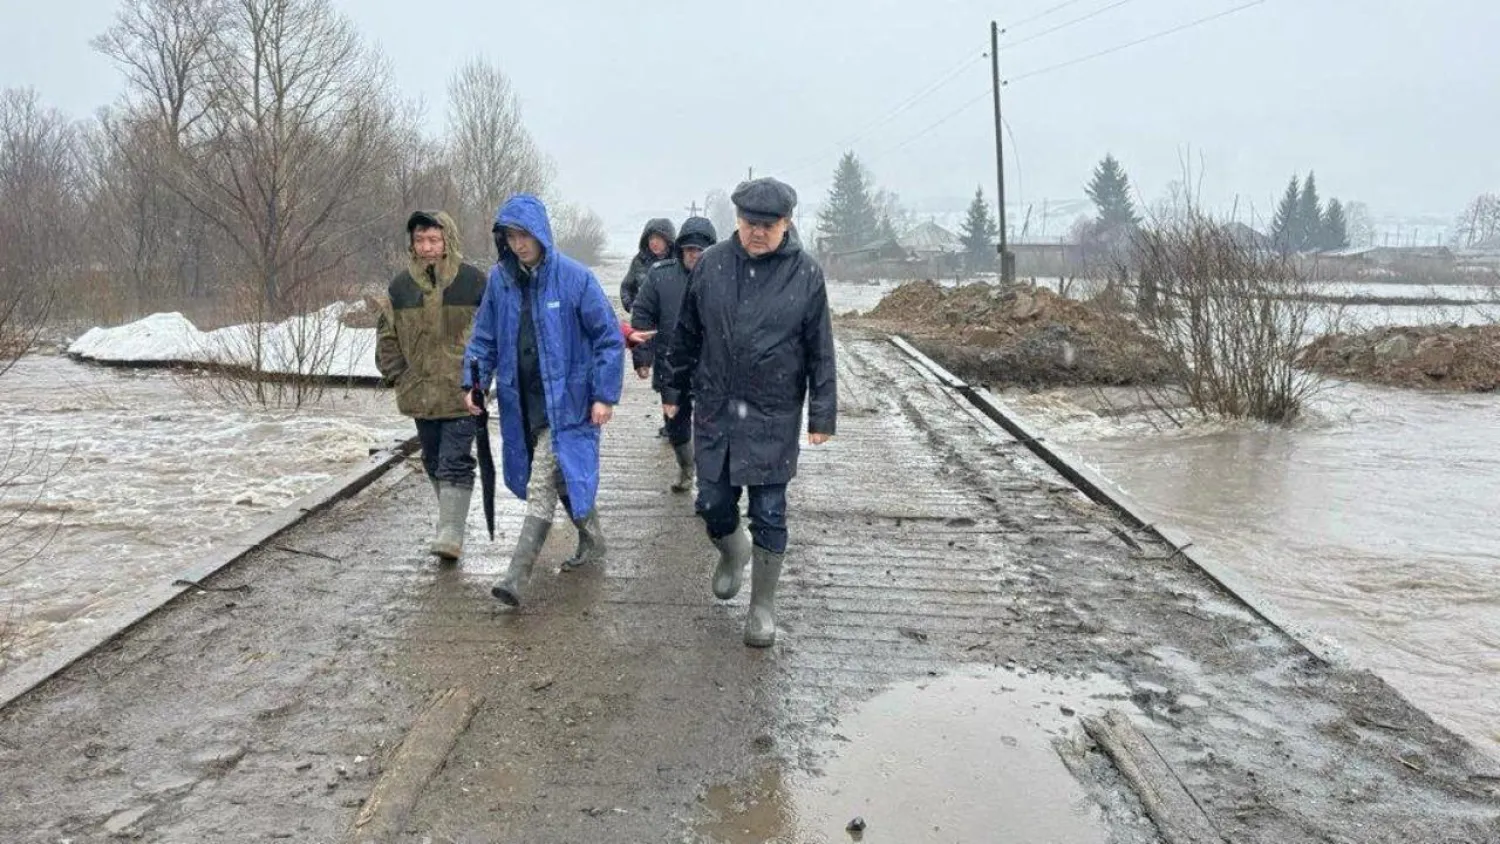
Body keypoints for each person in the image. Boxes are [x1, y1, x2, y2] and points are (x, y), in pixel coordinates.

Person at [661, 178, 837, 647]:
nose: (757, 232)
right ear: (736, 220)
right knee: (712, 502)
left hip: (773, 412)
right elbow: (686, 335)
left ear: (786, 223)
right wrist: (672, 387)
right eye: (749, 223)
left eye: (768, 224)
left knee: (770, 509)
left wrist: (822, 414)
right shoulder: (712, 265)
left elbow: (821, 350)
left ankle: (762, 606)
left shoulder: (806, 274)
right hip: (717, 406)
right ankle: (732, 550)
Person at [463, 194, 625, 607]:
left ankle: (516, 577)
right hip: (523, 403)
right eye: (511, 236)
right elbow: (484, 337)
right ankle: (594, 541)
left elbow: (608, 338)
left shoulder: (575, 278)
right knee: (561, 477)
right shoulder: (500, 281)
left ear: (541, 234)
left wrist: (604, 395)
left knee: (542, 481)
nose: (519, 244)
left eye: (525, 235)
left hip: (568, 403)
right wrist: (474, 382)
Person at [375, 210, 486, 562]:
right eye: (420, 240)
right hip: (419, 391)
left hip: (463, 391)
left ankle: (450, 532)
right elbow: (387, 336)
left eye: (433, 240)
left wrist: (483, 376)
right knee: (433, 459)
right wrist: (398, 375)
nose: (426, 247)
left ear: (447, 241)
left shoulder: (472, 282)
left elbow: (492, 333)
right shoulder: (400, 287)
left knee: (455, 459)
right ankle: (450, 520)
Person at [631, 216, 717, 492]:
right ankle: (686, 468)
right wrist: (642, 356)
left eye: (700, 250)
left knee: (710, 428)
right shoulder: (661, 275)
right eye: (689, 249)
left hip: (713, 369)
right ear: (680, 249)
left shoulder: (725, 277)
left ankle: (710, 482)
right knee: (676, 423)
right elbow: (642, 314)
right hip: (672, 366)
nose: (694, 255)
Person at [618, 218, 676, 312]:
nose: (654, 242)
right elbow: (626, 288)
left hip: (673, 320)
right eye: (651, 238)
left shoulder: (679, 261)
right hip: (646, 320)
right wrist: (632, 308)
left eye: (658, 238)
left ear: (667, 239)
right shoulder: (640, 261)